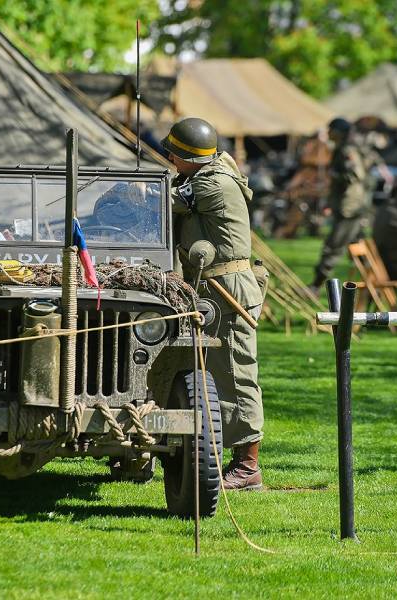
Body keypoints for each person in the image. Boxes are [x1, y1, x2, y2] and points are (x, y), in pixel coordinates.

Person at [161, 117, 265, 491]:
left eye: (174, 153)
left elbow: (165, 202)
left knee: (235, 375)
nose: (169, 158)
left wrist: (134, 193)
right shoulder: (201, 175)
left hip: (227, 289)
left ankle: (247, 467)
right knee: (212, 374)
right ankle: (217, 454)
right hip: (212, 286)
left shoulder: (213, 183)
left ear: (190, 156)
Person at [309, 117, 371, 292]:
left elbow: (355, 176)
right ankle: (375, 284)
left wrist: (335, 174)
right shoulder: (343, 148)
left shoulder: (347, 150)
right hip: (350, 206)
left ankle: (315, 285)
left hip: (349, 208)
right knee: (358, 249)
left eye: (330, 130)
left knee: (333, 247)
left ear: (337, 132)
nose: (327, 133)